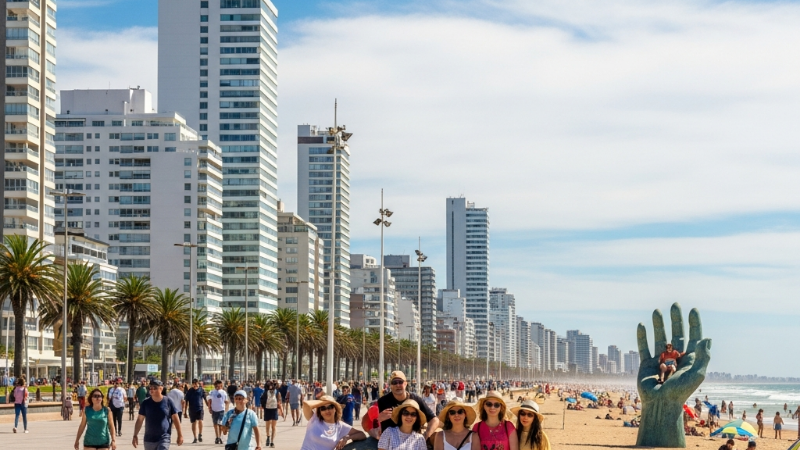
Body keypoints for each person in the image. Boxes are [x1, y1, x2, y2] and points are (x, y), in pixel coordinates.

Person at [378, 371, 440, 442]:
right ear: (390, 385)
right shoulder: (382, 401)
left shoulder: (415, 399)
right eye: (394, 382)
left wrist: (426, 436)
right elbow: (369, 423)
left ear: (405, 383)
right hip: (390, 442)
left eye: (400, 382)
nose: (397, 385)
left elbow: (434, 420)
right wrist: (378, 419)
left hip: (412, 442)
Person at [300, 395, 366, 450]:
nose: (327, 411)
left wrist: (347, 438)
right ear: (320, 411)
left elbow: (362, 435)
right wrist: (322, 403)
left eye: (330, 407)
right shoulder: (314, 418)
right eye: (323, 408)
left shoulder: (340, 426)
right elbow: (306, 404)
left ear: (335, 409)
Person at [132, 380, 183, 450]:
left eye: (155, 387)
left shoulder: (168, 401)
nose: (152, 389)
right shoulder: (145, 403)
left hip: (164, 437)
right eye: (150, 387)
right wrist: (135, 435)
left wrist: (180, 434)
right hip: (149, 439)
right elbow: (140, 420)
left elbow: (175, 418)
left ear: (161, 388)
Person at [261, 381, 283, 448]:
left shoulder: (277, 393)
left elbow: (279, 402)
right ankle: (268, 436)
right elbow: (262, 401)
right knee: (268, 425)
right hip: (269, 409)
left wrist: (281, 410)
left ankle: (272, 441)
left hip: (273, 410)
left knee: (273, 426)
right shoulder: (266, 392)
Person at [184, 379, 207, 444]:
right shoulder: (189, 391)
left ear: (198, 384)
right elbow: (186, 401)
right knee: (194, 422)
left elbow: (205, 398)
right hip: (192, 408)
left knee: (200, 420)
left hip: (200, 408)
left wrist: (209, 407)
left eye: (196, 383)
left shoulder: (201, 390)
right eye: (194, 383)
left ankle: (200, 434)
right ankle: (195, 437)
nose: (195, 384)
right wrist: (185, 412)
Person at [208, 380, 229, 445]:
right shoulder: (212, 392)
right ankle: (217, 437)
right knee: (215, 424)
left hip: (221, 410)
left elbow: (226, 402)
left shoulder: (224, 392)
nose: (219, 387)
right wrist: (209, 408)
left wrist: (226, 409)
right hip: (214, 410)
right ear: (215, 385)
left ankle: (219, 437)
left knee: (220, 425)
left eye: (220, 385)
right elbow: (209, 400)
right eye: (217, 386)